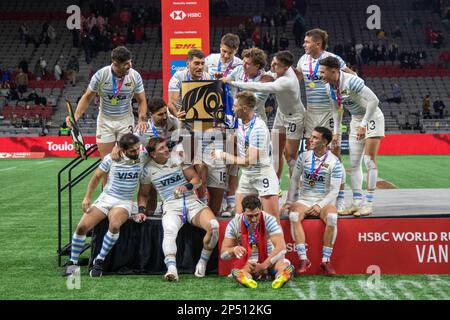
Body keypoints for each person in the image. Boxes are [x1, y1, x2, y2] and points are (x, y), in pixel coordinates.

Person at [138, 137, 219, 281]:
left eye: (165, 146)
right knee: (169, 232)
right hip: (171, 205)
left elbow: (196, 180)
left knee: (214, 226)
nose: (166, 149)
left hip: (191, 201)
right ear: (153, 154)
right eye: (161, 148)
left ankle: (203, 262)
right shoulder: (148, 170)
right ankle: (171, 268)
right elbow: (143, 194)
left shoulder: (177, 158)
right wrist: (141, 211)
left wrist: (186, 186)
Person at [63, 134, 143, 277]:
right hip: (106, 198)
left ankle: (99, 260)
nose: (136, 152)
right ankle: (73, 262)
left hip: (124, 201)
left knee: (114, 225)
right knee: (81, 227)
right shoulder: (110, 159)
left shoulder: (142, 158)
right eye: (132, 151)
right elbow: (96, 177)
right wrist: (87, 197)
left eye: (137, 149)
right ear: (123, 150)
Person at [295, 28, 356, 213]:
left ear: (318, 44)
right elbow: (296, 77)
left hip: (330, 111)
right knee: (310, 153)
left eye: (307, 42)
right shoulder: (302, 60)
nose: (304, 44)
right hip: (311, 111)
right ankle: (308, 196)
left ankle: (340, 200)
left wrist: (346, 92)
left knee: (335, 156)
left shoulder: (332, 59)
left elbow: (350, 75)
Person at [224, 51, 305, 181]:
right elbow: (268, 75)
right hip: (281, 113)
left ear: (286, 68)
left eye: (276, 64)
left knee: (290, 156)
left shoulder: (286, 80)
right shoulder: (277, 72)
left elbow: (258, 87)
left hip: (294, 117)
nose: (272, 65)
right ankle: (275, 186)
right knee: (276, 153)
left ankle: (293, 193)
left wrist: (233, 83)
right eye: (273, 61)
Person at [319, 56, 385, 216]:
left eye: (322, 72)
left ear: (334, 71)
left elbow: (374, 101)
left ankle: (368, 203)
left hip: (372, 118)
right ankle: (356, 202)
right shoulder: (329, 87)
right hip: (356, 121)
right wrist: (335, 132)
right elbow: (336, 110)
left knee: (368, 159)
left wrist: (364, 124)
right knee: (354, 164)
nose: (320, 75)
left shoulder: (352, 81)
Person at [66, 46, 148, 159]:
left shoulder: (135, 76)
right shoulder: (101, 75)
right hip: (105, 121)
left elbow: (142, 100)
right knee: (106, 160)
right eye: (126, 64)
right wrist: (75, 116)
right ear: (115, 63)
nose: (130, 66)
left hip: (125, 120)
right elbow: (87, 97)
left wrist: (142, 119)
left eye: (130, 62)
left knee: (127, 158)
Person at [282, 127, 341, 276]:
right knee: (294, 216)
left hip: (325, 201)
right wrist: (289, 201)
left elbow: (335, 190)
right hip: (305, 200)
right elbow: (294, 179)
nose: (311, 139)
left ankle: (325, 260)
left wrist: (319, 205)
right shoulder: (304, 156)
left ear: (325, 142)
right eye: (311, 136)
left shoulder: (334, 162)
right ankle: (303, 259)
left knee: (332, 218)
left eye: (315, 137)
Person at [212, 91, 280, 219]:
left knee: (272, 222)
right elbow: (238, 137)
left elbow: (248, 161)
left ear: (244, 108)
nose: (232, 108)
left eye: (235, 106)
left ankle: (273, 240)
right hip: (247, 176)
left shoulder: (258, 129)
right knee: (239, 220)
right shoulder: (243, 122)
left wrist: (222, 154)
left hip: (262, 175)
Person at [221, 195, 294, 289]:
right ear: (243, 212)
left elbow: (281, 247)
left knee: (282, 265)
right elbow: (223, 254)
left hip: (269, 258)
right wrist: (234, 249)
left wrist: (263, 265)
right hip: (249, 261)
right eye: (250, 216)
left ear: (261, 210)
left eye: (256, 215)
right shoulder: (234, 224)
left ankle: (281, 277)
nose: (254, 219)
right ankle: (245, 279)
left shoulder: (269, 219)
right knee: (244, 269)